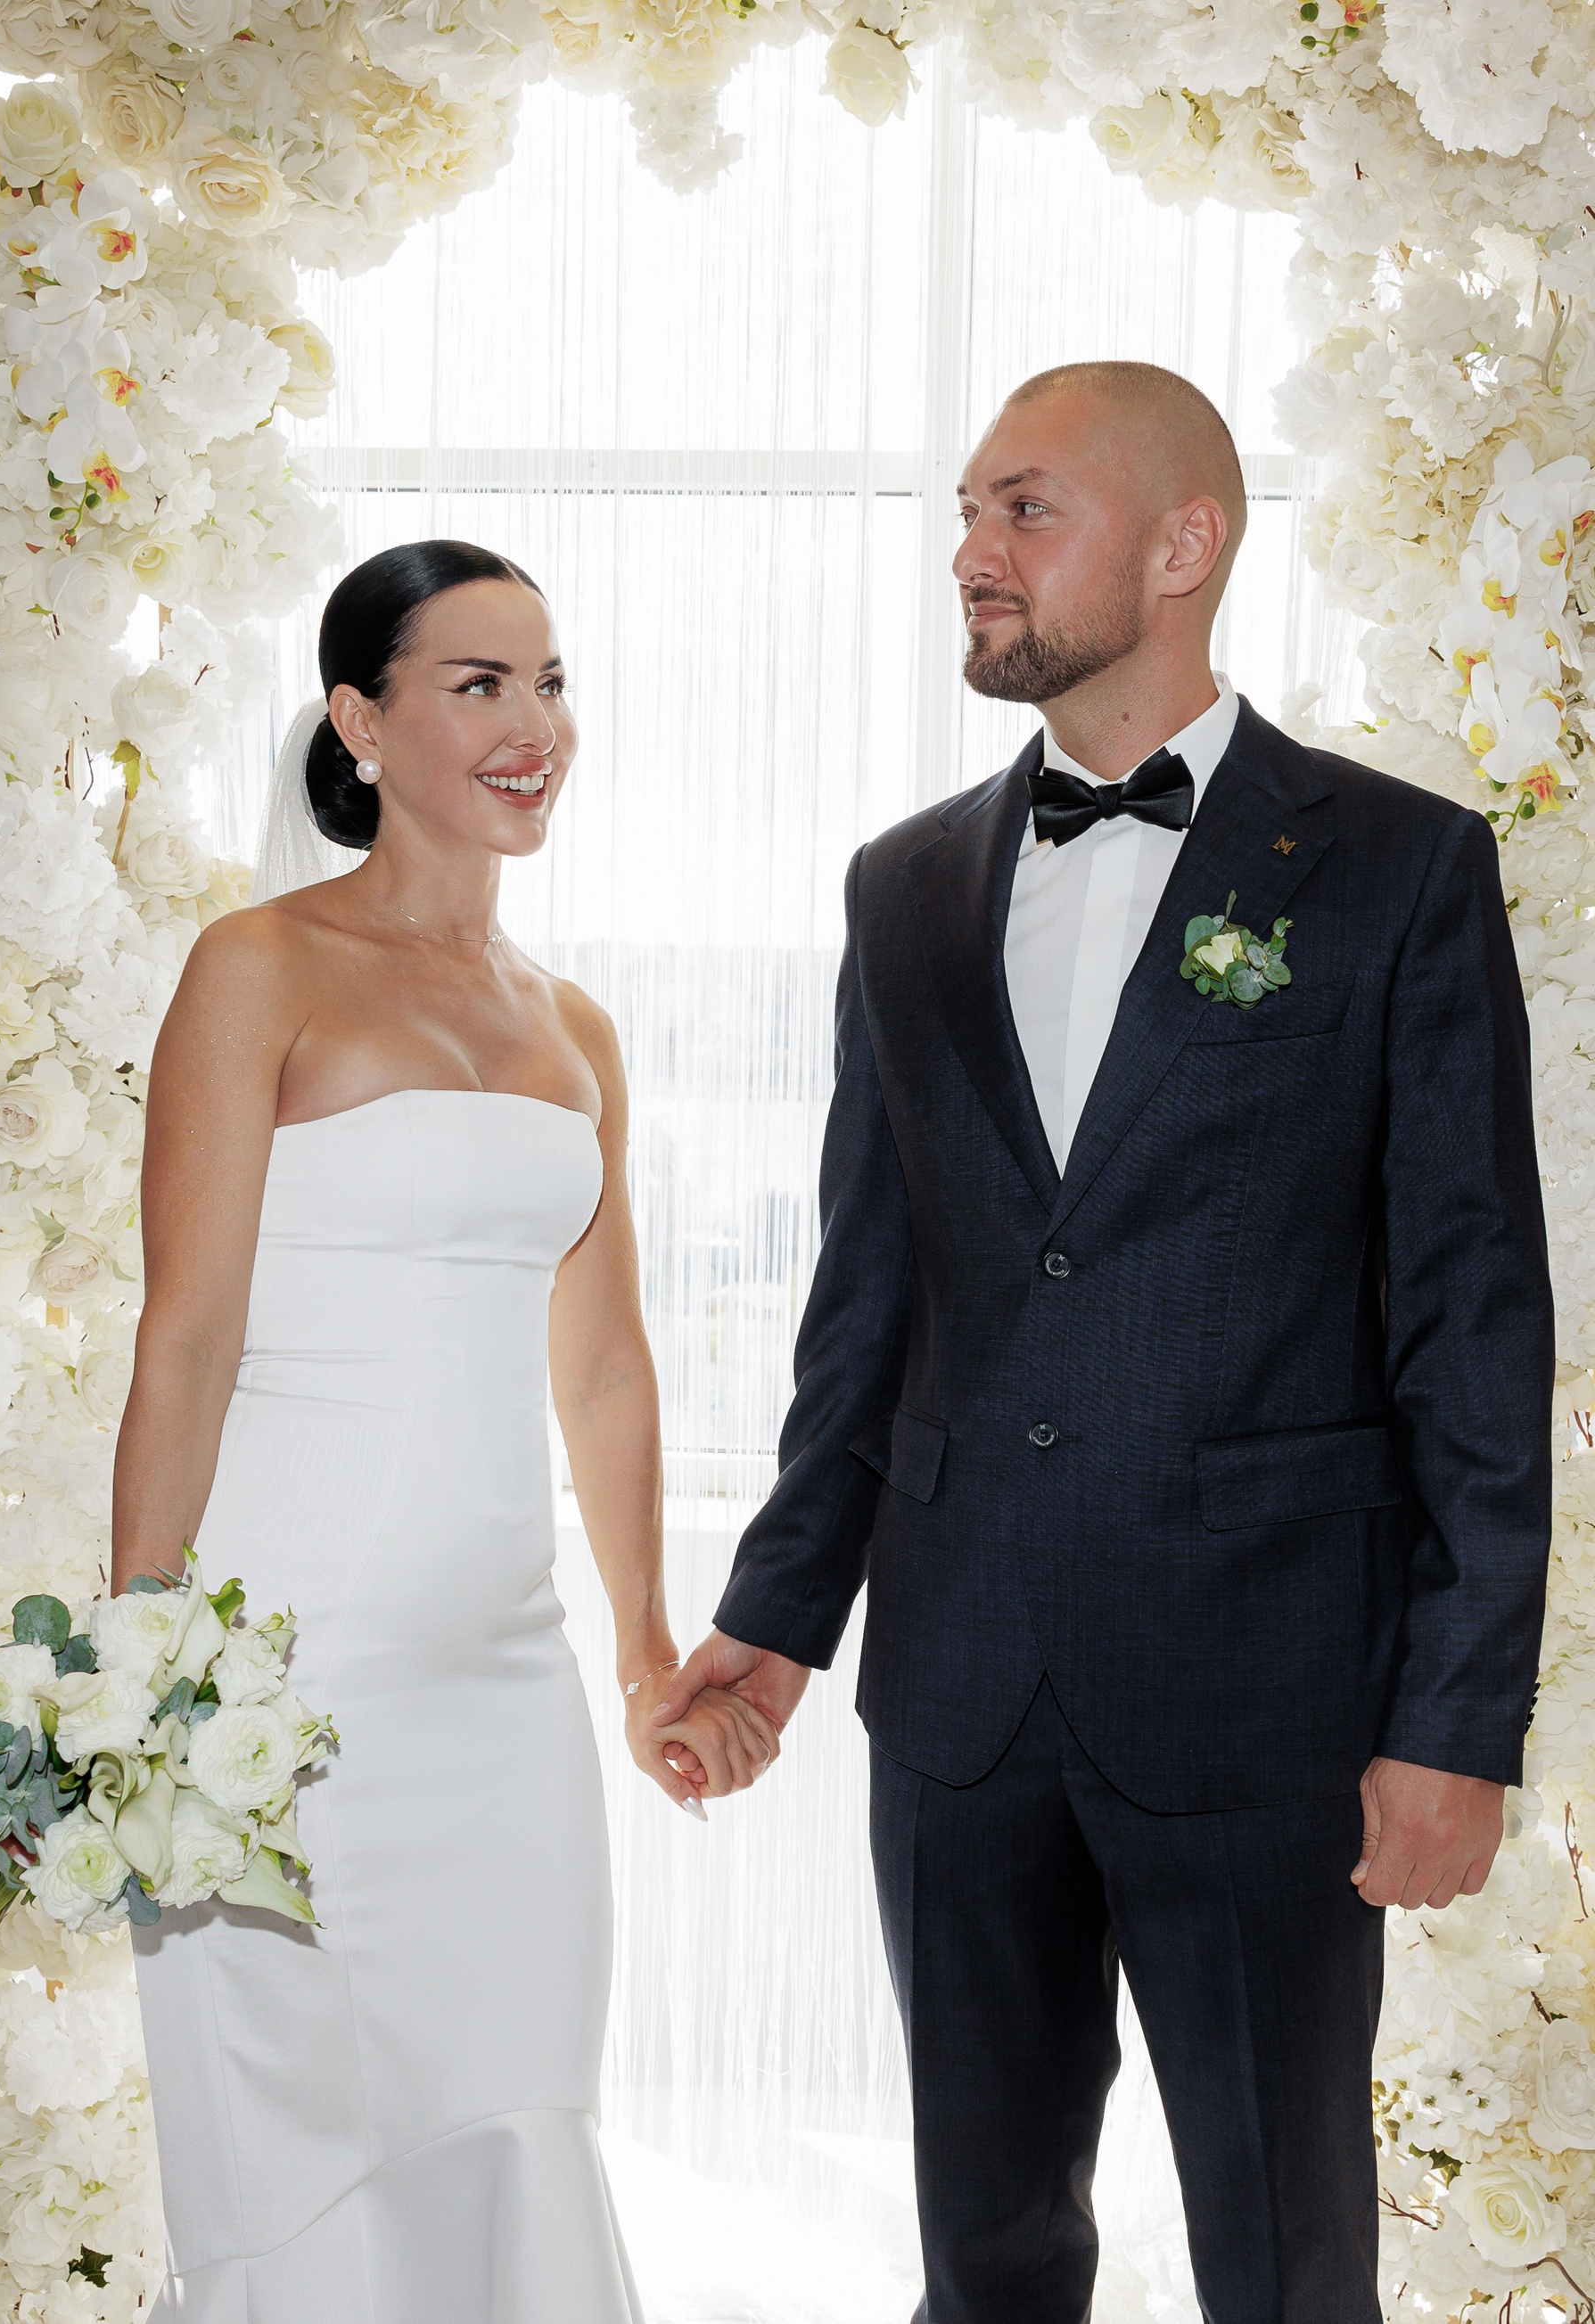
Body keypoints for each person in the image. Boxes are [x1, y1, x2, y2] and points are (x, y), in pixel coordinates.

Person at [657, 361, 1555, 2320]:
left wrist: (1453, 1720)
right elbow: (866, 1300)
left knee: (1287, 2264)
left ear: (1182, 545)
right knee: (984, 2257)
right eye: (967, 513)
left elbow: (1477, 1323)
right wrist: (780, 1619)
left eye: (1025, 509)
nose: (972, 554)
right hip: (958, 1695)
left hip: (1268, 1697)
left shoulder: (1399, 866)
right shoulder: (901, 886)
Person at [114, 540, 777, 2322]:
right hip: (277, 1664)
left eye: (550, 682)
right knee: (295, 2144)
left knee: (515, 2109)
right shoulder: (257, 967)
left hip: (502, 1688)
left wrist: (644, 1647)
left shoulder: (578, 1029)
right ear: (359, 719)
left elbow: (607, 1368)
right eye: (477, 684)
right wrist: (141, 1659)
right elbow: (186, 1334)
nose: (531, 724)